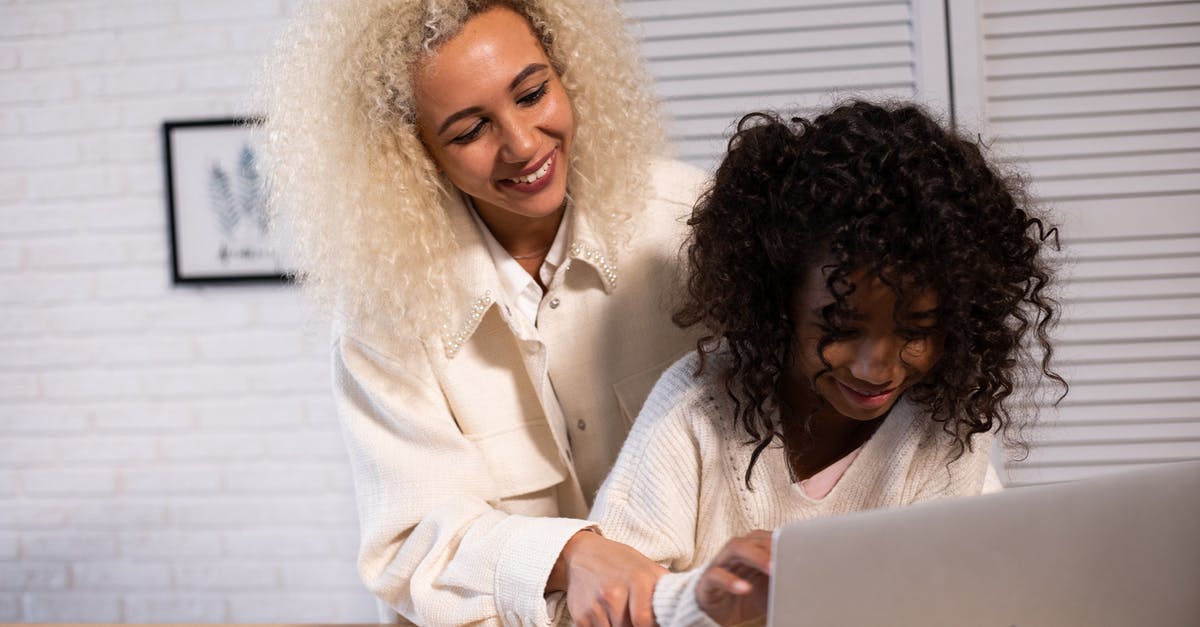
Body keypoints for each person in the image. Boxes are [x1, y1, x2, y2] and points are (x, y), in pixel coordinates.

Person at [258, 0, 706, 624]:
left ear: (567, 72)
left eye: (531, 94)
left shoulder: (691, 223)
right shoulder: (385, 314)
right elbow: (411, 545)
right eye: (469, 131)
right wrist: (572, 555)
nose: (523, 145)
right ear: (413, 153)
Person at [589, 101, 1066, 626]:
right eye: (839, 328)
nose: (875, 368)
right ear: (779, 297)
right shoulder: (696, 411)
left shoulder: (944, 432)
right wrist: (704, 603)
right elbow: (605, 607)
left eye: (916, 331)